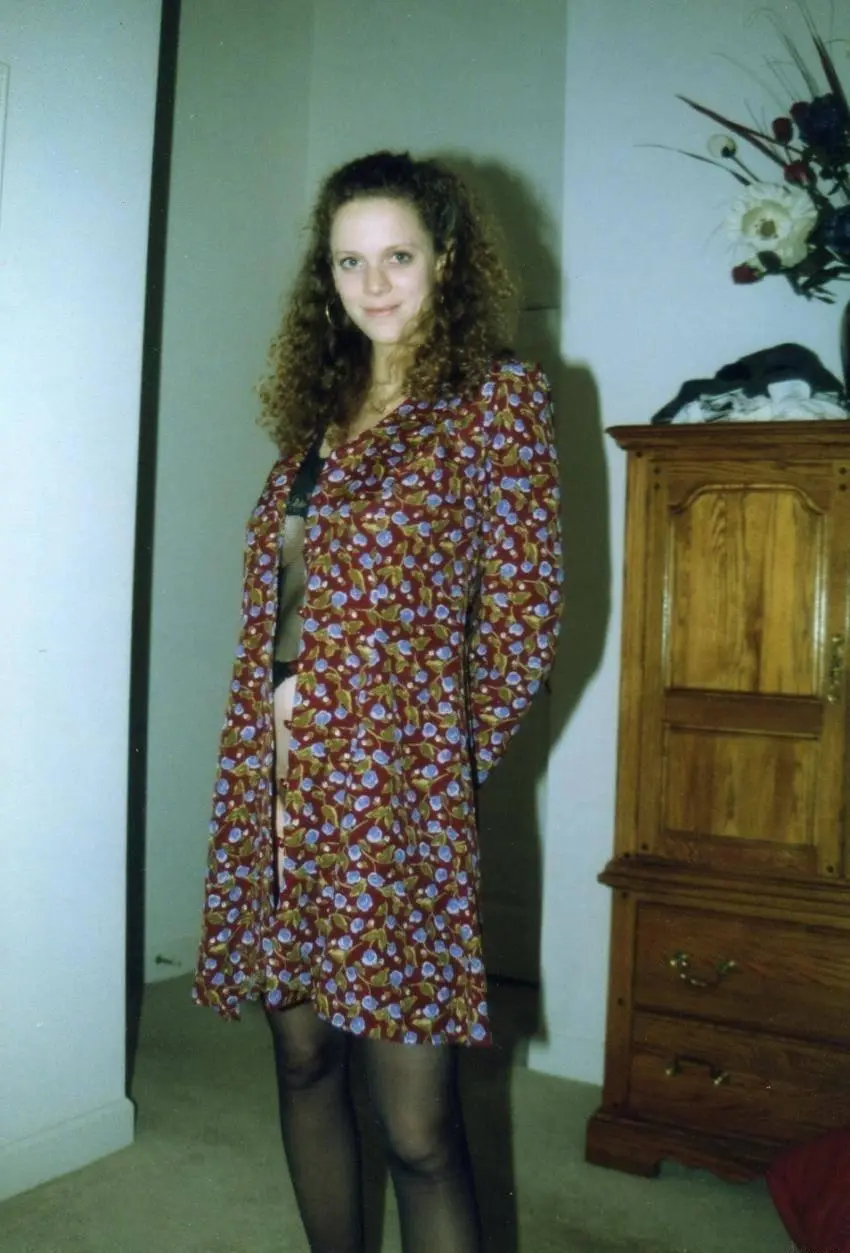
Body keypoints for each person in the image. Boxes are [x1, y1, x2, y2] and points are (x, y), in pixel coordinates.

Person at [192, 150, 563, 1253]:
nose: (374, 283)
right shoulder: (319, 412)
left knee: (418, 1126)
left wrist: (427, 766)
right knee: (304, 1059)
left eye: (397, 255)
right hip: (277, 786)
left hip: (394, 798)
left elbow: (525, 618)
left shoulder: (495, 400)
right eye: (349, 261)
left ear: (446, 259)